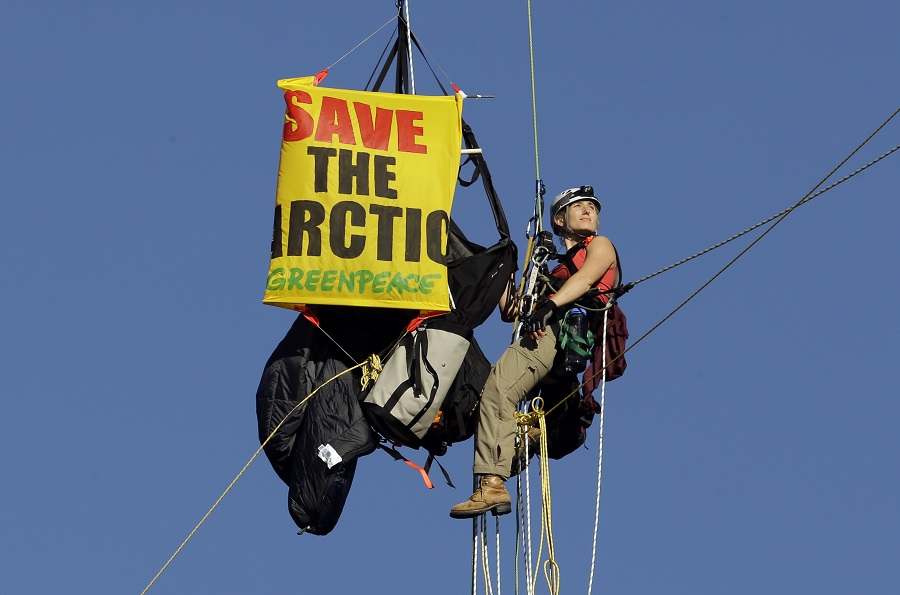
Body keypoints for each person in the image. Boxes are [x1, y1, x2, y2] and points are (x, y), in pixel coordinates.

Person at [449, 185, 619, 519]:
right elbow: (513, 311)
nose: (588, 210)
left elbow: (586, 280)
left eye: (592, 207)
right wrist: (504, 271)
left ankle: (492, 484)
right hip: (554, 335)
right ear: (560, 219)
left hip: (563, 329)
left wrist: (550, 306)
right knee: (498, 392)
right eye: (579, 206)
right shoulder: (552, 270)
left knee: (498, 389)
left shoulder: (600, 245)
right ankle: (521, 441)